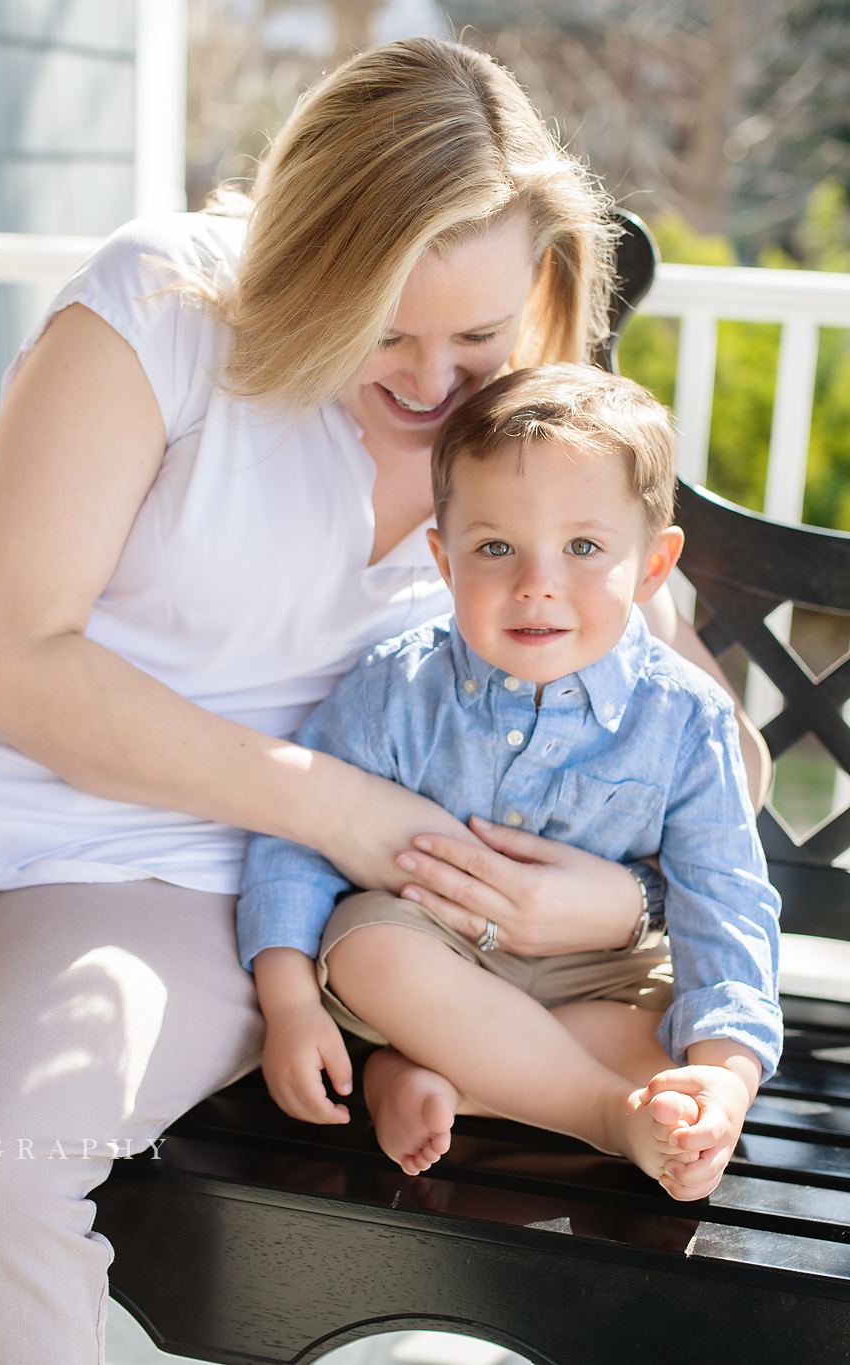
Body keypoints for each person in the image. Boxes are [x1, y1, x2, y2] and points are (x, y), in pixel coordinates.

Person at [0, 36, 764, 1365]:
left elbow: (709, 754)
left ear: (539, 285)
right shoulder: (163, 304)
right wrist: (346, 810)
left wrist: (630, 895)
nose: (429, 381)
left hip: (184, 866)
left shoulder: (543, 438)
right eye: (385, 327)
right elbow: (2, 657)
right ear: (306, 262)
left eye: (473, 337)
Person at [238, 365, 780, 1199]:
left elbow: (726, 899)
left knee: (675, 1054)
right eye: (495, 547)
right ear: (444, 561)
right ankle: (602, 1111)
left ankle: (440, 1078)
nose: (537, 581)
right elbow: (293, 838)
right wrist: (289, 1005)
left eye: (584, 547)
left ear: (652, 566)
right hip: (434, 961)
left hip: (600, 974)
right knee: (367, 944)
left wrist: (726, 1077)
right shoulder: (394, 689)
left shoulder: (687, 717)